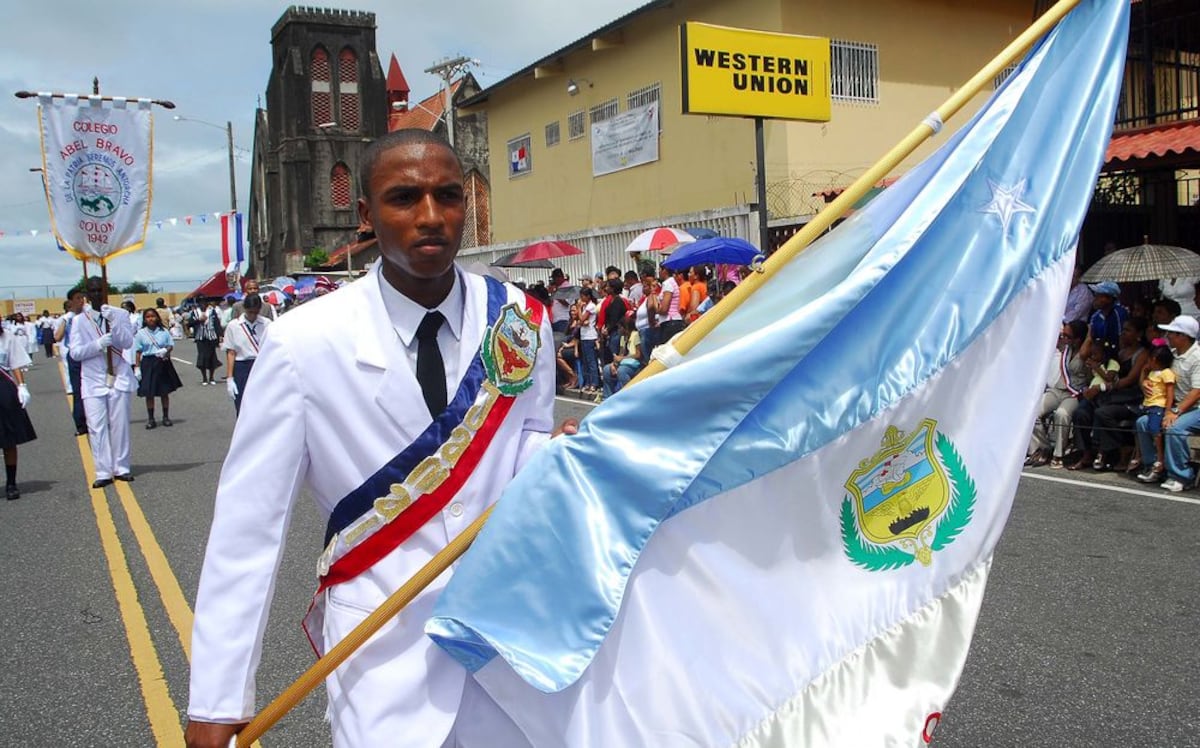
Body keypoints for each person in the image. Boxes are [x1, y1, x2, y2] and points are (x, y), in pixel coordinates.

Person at [186, 129, 562, 748]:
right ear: (365, 214)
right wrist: (217, 701)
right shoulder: (304, 343)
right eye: (404, 198)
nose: (431, 217)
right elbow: (247, 529)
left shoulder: (519, 320)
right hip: (384, 659)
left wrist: (567, 454)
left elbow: (525, 456)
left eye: (447, 196)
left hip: (509, 649)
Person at [69, 277, 136, 488]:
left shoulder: (120, 314)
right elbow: (75, 353)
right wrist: (98, 344)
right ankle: (103, 471)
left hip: (118, 376)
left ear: (106, 291)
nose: (97, 294)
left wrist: (114, 323)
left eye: (100, 290)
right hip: (92, 379)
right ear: (87, 294)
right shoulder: (80, 320)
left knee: (120, 425)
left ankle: (121, 467)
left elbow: (127, 342)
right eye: (93, 291)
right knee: (97, 427)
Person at [1134, 315, 1200, 492]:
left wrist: (1175, 412)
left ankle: (1181, 475)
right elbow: (1151, 371)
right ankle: (1154, 466)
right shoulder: (1171, 354)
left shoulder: (1197, 357)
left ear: (1183, 336)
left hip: (1195, 407)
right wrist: (1145, 382)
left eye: (1172, 333)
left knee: (1175, 428)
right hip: (1172, 404)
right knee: (1142, 422)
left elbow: (1197, 391)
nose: (1168, 336)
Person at [0, 322, 35, 500]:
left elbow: (15, 363)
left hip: (3, 388)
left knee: (8, 439)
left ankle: (11, 483)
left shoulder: (6, 337)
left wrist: (22, 386)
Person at [221, 292, 271, 416]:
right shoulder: (234, 326)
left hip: (261, 365)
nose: (253, 315)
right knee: (242, 405)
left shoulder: (267, 324)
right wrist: (230, 378)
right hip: (242, 366)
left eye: (256, 312)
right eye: (250, 312)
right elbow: (231, 352)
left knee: (263, 404)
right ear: (245, 309)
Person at [134, 308, 182, 429]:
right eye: (148, 317)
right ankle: (151, 419)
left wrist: (166, 350)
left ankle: (166, 417)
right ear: (144, 319)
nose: (150, 319)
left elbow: (170, 345)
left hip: (162, 362)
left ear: (157, 318)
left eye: (153, 316)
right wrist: (137, 367)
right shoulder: (141, 333)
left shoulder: (163, 331)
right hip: (148, 363)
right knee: (149, 393)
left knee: (164, 392)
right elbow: (138, 351)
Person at [1133, 345, 1175, 483]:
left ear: (1154, 359)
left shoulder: (1166, 373)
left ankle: (1160, 459)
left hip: (1158, 406)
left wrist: (1168, 410)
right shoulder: (1151, 372)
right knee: (1138, 425)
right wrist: (1144, 374)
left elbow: (1169, 392)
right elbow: (1144, 384)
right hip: (1147, 404)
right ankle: (1142, 458)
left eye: (1149, 360)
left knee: (1155, 430)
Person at [55, 290, 88, 436]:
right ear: (71, 302)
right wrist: (65, 320)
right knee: (78, 390)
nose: (81, 300)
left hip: (89, 354)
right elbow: (58, 336)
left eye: (82, 297)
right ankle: (80, 423)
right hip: (75, 356)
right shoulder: (67, 318)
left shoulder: (88, 314)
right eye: (77, 298)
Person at [192, 301, 223, 386]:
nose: (203, 305)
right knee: (202, 357)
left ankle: (211, 377)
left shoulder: (211, 311)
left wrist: (220, 335)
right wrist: (199, 320)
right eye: (201, 302)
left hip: (211, 337)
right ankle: (204, 378)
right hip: (200, 338)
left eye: (204, 302)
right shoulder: (195, 312)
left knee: (212, 356)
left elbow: (216, 323)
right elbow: (189, 324)